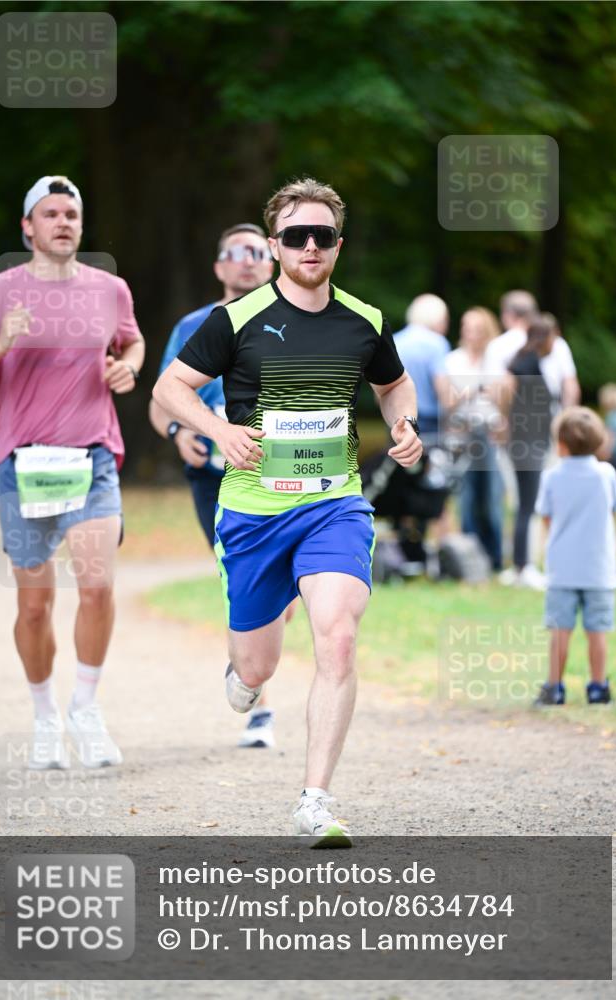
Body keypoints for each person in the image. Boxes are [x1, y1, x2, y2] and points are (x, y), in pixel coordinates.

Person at [153, 177, 422, 845]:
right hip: (252, 515)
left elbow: (394, 384)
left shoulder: (364, 321)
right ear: (275, 245)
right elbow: (170, 388)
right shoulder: (235, 320)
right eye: (295, 235)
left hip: (334, 504)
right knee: (256, 669)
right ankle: (242, 674)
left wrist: (405, 423)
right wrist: (218, 431)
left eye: (321, 235)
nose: (309, 246)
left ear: (338, 245)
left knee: (337, 636)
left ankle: (315, 800)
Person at [0, 175, 145, 769]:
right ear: (28, 227)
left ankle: (85, 709)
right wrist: (0, 345)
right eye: (51, 214)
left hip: (92, 457)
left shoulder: (110, 289)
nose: (63, 222)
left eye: (72, 214)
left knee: (96, 588)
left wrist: (127, 368)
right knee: (35, 606)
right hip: (25, 464)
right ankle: (45, 716)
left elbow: (132, 343)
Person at [149, 223, 281, 748]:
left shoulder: (292, 316)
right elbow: (161, 402)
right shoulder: (193, 325)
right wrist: (179, 432)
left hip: (283, 471)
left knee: (287, 592)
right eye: (236, 252)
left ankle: (250, 657)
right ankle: (259, 707)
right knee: (242, 578)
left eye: (256, 251)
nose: (247, 260)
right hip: (215, 476)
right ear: (219, 265)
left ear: (271, 261)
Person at [533, 407, 616, 706]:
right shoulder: (606, 474)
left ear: (561, 445)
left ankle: (554, 688)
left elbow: (546, 517)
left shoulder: (551, 476)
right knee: (598, 632)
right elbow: (613, 510)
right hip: (600, 569)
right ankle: (598, 687)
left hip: (562, 569)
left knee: (560, 631)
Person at [443, 308, 504, 570]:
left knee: (491, 497)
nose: (471, 335)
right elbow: (447, 401)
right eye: (467, 329)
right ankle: (472, 559)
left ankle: (495, 557)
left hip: (489, 433)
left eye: (477, 329)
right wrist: (470, 392)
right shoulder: (453, 360)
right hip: (461, 433)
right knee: (465, 497)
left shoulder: (496, 360)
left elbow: (505, 399)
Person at [500, 314, 557, 589]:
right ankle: (524, 565)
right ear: (546, 337)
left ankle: (520, 563)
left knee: (524, 504)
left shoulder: (523, 360)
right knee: (527, 504)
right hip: (528, 443)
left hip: (526, 442)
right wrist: (506, 422)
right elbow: (507, 391)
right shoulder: (527, 363)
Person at [485, 289, 581, 409]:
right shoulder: (557, 342)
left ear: (507, 315)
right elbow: (571, 386)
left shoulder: (498, 345)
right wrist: (567, 413)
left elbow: (497, 390)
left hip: (517, 413)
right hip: (553, 410)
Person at [393, 293, 450, 440]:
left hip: (397, 421)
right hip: (429, 424)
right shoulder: (437, 343)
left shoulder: (395, 341)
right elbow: (444, 392)